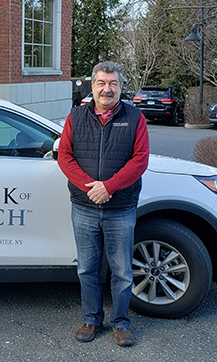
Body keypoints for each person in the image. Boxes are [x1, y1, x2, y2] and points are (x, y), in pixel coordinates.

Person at [58, 61, 149, 347]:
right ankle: (92, 319)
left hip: (120, 208)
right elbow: (65, 157)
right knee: (87, 268)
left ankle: (121, 323)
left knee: (121, 271)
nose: (106, 89)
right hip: (84, 207)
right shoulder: (75, 117)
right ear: (93, 86)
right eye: (101, 83)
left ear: (121, 87)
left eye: (112, 84)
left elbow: (140, 161)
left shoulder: (136, 119)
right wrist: (91, 188)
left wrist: (108, 187)